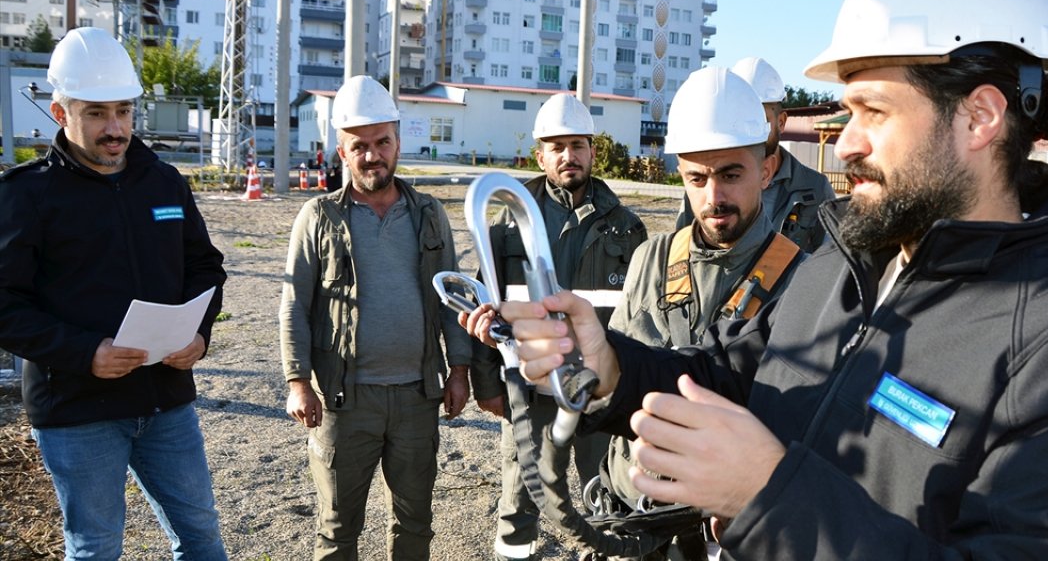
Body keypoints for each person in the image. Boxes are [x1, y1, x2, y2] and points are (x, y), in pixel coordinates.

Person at [495, 0, 1048, 559]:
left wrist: (769, 496)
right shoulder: (847, 260)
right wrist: (612, 367)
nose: (847, 144)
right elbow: (740, 376)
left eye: (873, 113)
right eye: (847, 113)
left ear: (978, 116)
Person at [0, 27, 229, 559]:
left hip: (165, 402)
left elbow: (205, 267)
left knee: (201, 536)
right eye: (97, 113)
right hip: (77, 408)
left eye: (124, 111)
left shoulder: (165, 183)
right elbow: (5, 304)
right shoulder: (26, 195)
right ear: (60, 113)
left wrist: (199, 332)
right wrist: (86, 354)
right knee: (96, 548)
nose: (115, 129)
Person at [279, 75, 472, 560]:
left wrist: (461, 371)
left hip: (416, 398)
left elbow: (453, 299)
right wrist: (298, 381)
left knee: (414, 524)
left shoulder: (429, 214)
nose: (372, 155)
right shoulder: (319, 217)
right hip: (345, 402)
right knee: (337, 528)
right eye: (359, 146)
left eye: (382, 142)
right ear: (341, 152)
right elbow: (294, 304)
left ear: (397, 141)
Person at [461, 93, 648, 561]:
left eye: (578, 145)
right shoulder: (507, 226)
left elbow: (640, 318)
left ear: (592, 152)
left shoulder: (626, 227)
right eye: (557, 146)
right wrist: (488, 382)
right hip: (529, 386)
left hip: (600, 388)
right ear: (540, 155)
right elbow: (489, 307)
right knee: (522, 492)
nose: (569, 156)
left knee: (603, 492)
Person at [609, 66, 804, 351]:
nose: (714, 197)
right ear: (681, 174)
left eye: (730, 175)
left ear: (766, 172)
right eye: (697, 179)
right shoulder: (650, 261)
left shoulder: (804, 280)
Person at [674, 57, 836, 253]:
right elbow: (684, 250)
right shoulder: (706, 184)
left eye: (762, 119)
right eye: (744, 120)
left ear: (781, 122)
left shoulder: (814, 188)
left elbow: (830, 262)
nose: (753, 132)